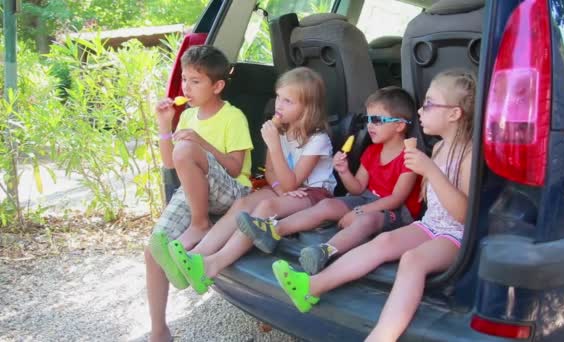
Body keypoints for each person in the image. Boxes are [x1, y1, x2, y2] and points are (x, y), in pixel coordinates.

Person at [271, 70, 476, 342]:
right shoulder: (437, 149)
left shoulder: (469, 154)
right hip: (431, 226)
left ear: (454, 114)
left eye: (429, 104)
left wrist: (431, 172)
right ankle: (311, 286)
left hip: (457, 234)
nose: (420, 110)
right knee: (383, 242)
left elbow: (464, 214)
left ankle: (382, 336)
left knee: (412, 260)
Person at [157, 67, 337, 299]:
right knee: (243, 203)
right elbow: (271, 173)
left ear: (308, 108)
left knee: (265, 209)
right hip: (283, 188)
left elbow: (294, 184)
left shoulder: (318, 140)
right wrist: (279, 188)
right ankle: (197, 257)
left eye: (288, 101)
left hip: (314, 195)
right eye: (279, 98)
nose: (279, 106)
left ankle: (214, 264)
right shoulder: (280, 131)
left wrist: (273, 148)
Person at [237, 86, 422, 275]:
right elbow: (357, 188)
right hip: (366, 199)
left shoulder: (410, 158)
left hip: (395, 212)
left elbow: (396, 199)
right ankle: (273, 230)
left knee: (366, 220)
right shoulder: (372, 151)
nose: (369, 126)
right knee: (327, 205)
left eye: (376, 120)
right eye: (367, 119)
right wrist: (344, 172)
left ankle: (324, 251)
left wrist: (358, 211)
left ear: (399, 125)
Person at [144, 45, 253, 342]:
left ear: (217, 86)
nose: (186, 88)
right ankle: (159, 330)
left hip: (232, 191)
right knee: (154, 247)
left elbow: (234, 168)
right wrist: (164, 125)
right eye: (184, 80)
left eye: (196, 81)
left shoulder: (234, 117)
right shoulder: (189, 117)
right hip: (197, 190)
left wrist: (200, 143)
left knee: (188, 149)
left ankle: (200, 224)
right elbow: (171, 163)